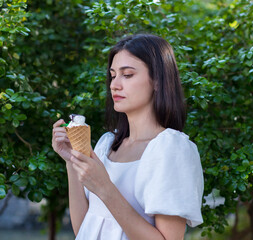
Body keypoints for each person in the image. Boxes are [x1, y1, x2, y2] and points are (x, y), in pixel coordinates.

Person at [52, 34, 203, 240]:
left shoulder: (171, 149)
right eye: (113, 75)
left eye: (128, 75)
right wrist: (72, 161)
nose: (114, 85)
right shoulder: (107, 145)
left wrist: (105, 188)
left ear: (158, 81)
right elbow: (85, 229)